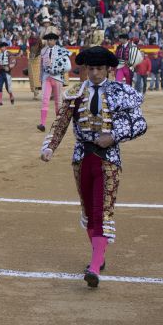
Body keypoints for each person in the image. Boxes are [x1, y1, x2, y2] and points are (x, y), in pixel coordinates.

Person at [40, 46, 147, 288]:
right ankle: (99, 254)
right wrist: (50, 147)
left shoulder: (121, 92)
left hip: (109, 158)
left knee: (102, 211)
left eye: (99, 68)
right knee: (88, 211)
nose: (95, 73)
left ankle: (95, 267)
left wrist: (114, 136)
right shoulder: (75, 92)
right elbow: (61, 122)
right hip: (82, 157)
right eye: (91, 69)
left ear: (108, 69)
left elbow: (139, 123)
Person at [37, 33, 71, 132]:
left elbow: (68, 66)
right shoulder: (43, 51)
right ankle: (42, 124)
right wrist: (41, 78)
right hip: (46, 78)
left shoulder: (62, 50)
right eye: (48, 40)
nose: (49, 41)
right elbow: (41, 67)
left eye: (51, 39)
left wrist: (57, 70)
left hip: (57, 78)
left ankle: (58, 124)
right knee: (44, 99)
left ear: (55, 40)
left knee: (58, 102)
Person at [0, 41, 16, 106]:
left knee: (8, 88)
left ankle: (11, 95)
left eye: (2, 47)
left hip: (7, 73)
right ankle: (0, 101)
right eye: (0, 47)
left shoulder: (9, 53)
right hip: (0, 73)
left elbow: (14, 62)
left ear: (5, 47)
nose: (1, 48)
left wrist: (9, 67)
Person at [25, 32, 42, 100]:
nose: (33, 36)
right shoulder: (29, 41)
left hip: (38, 58)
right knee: (32, 76)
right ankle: (35, 93)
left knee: (37, 76)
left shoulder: (38, 41)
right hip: (32, 59)